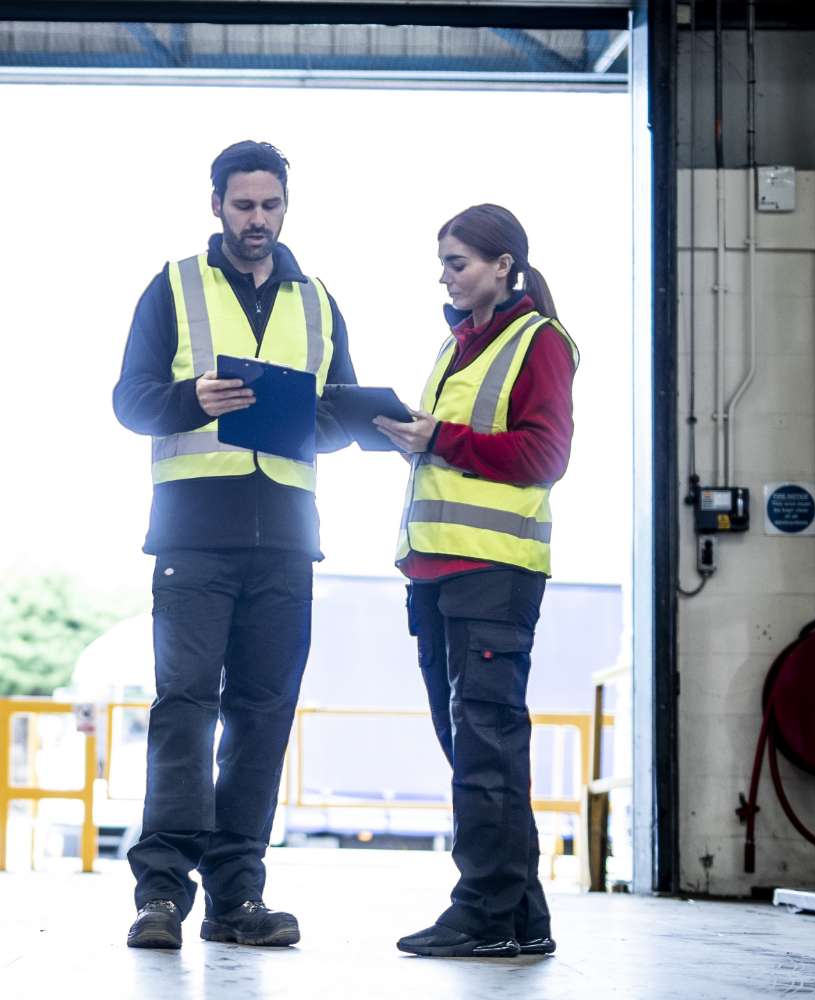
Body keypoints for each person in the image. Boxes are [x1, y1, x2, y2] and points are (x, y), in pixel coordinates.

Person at [111, 140, 358, 950]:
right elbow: (131, 402)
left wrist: (317, 421)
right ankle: (159, 894)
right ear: (215, 204)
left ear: (287, 206)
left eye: (271, 205)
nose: (258, 220)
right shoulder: (174, 286)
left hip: (288, 540)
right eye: (244, 205)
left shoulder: (318, 301)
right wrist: (195, 398)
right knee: (186, 707)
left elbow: (341, 416)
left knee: (262, 716)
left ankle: (235, 898)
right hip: (195, 537)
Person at [371, 204, 578, 959]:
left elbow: (543, 456)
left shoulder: (539, 342)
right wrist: (415, 445)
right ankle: (522, 914)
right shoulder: (456, 346)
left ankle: (484, 913)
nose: (447, 277)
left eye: (458, 262)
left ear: (503, 265)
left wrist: (442, 439)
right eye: (443, 265)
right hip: (437, 572)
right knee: (476, 749)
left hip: (492, 574)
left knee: (486, 745)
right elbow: (465, 451)